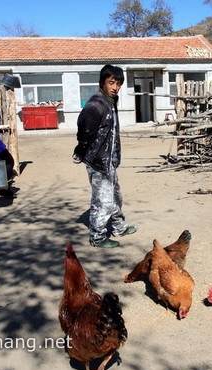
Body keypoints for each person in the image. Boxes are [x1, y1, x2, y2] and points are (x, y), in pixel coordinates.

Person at [74, 64, 137, 248]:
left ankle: (118, 227)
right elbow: (84, 129)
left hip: (109, 161)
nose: (115, 87)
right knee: (102, 201)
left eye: (118, 83)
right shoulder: (96, 104)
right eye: (111, 82)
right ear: (102, 83)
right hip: (98, 161)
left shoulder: (110, 101)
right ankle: (97, 237)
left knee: (115, 196)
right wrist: (81, 148)